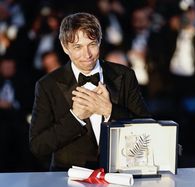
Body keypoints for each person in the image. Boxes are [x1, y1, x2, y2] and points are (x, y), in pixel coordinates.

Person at [29, 12, 150, 171]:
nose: (87, 55)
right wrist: (75, 118)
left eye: (92, 44)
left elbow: (147, 128)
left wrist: (110, 111)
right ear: (65, 47)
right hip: (68, 177)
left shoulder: (125, 75)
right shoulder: (47, 85)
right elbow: (38, 147)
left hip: (118, 173)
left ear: (100, 42)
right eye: (77, 47)